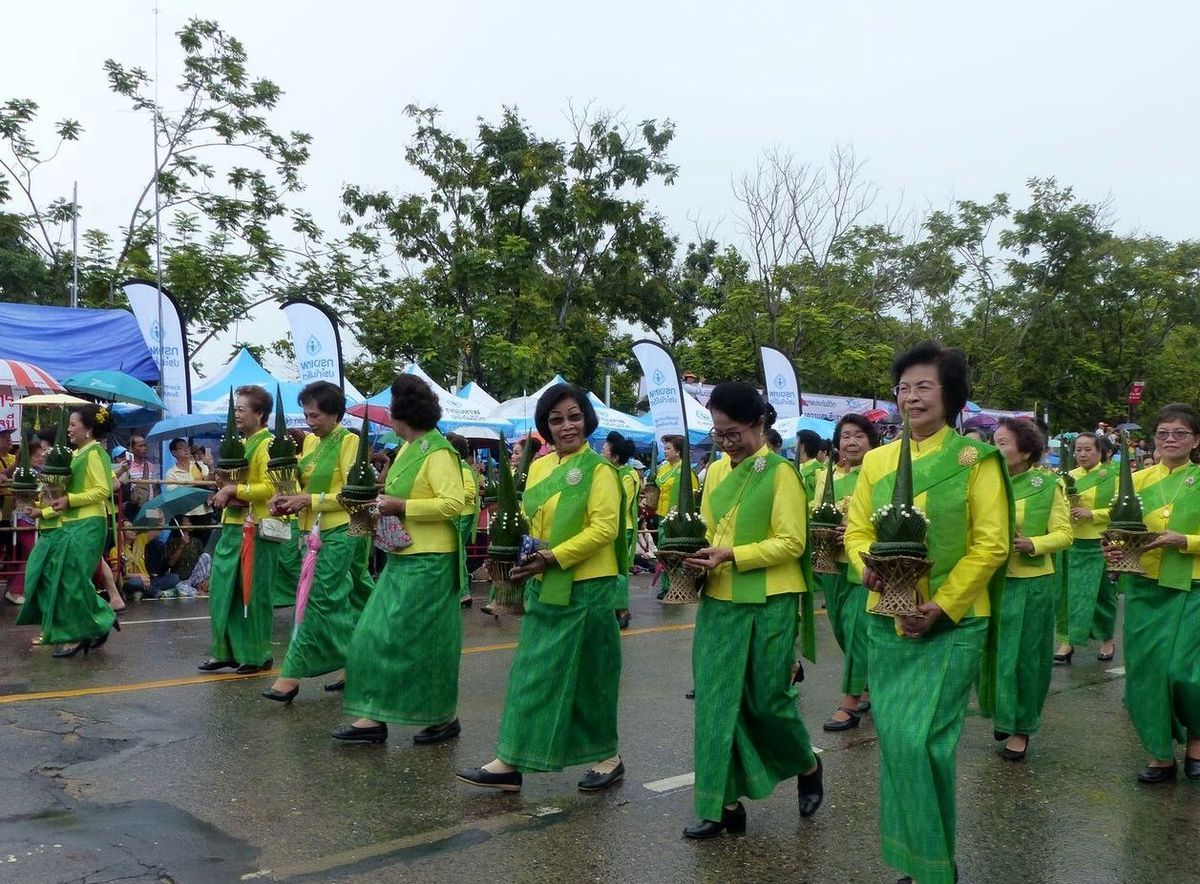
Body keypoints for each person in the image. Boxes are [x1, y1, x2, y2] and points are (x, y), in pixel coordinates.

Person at [844, 342, 1011, 884]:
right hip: (886, 619)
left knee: (924, 744)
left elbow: (991, 543)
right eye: (904, 387)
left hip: (952, 622)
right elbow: (857, 531)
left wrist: (942, 604)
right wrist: (866, 566)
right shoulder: (876, 461)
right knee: (897, 743)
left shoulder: (976, 460)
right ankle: (921, 861)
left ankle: (937, 867)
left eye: (924, 386)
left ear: (951, 395)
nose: (911, 397)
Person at [457, 384, 627, 792]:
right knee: (531, 674)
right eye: (556, 420)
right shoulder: (538, 467)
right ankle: (510, 760)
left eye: (574, 416)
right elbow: (529, 522)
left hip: (587, 587)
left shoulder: (601, 471)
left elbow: (604, 529)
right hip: (542, 582)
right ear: (545, 427)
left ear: (587, 419)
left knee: (592, 677)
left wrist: (552, 556)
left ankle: (607, 757)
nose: (567, 426)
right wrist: (516, 558)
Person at [679, 381, 823, 838]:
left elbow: (791, 542)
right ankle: (721, 804)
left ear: (759, 423)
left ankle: (807, 763)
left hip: (770, 601)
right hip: (719, 600)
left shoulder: (781, 474)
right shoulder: (715, 473)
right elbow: (707, 528)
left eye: (733, 433)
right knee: (716, 703)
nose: (726, 443)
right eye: (718, 434)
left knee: (768, 702)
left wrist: (733, 555)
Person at [333, 374, 464, 743]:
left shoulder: (438, 452)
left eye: (391, 407)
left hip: (431, 560)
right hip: (402, 554)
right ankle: (375, 714)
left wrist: (402, 506)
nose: (388, 414)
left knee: (421, 642)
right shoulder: (407, 448)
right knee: (375, 634)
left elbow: (454, 503)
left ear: (401, 412)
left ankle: (440, 717)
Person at [1103, 404, 1200, 784]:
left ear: (1196, 440)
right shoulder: (1135, 481)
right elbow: (1120, 532)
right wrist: (1113, 549)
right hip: (1144, 585)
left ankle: (1197, 739)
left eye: (1180, 433)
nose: (1170, 439)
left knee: (1184, 673)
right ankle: (1160, 754)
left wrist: (1185, 541)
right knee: (1147, 674)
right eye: (1163, 433)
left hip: (1191, 586)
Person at [263, 381, 376, 703]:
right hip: (313, 532)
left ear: (335, 414)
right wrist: (282, 497)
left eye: (316, 416)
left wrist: (308, 500)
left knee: (317, 599)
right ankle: (360, 661)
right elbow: (302, 485)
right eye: (306, 416)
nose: (310, 422)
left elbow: (354, 494)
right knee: (358, 599)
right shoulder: (312, 443)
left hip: (341, 531)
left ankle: (291, 674)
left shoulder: (350, 442)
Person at [991, 417, 1073, 761]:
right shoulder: (987, 482)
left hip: (1032, 583)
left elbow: (1065, 534)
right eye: (993, 442)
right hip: (991, 581)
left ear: (1025, 451)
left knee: (1027, 659)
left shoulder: (1048, 485)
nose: (994, 449)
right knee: (995, 655)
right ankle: (1002, 711)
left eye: (1002, 443)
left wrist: (1033, 544)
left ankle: (1022, 727)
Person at [17, 404, 120, 657]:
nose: (69, 429)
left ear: (88, 428)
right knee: (65, 579)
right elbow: (63, 496)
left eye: (73, 424)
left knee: (73, 580)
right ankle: (93, 624)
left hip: (89, 524)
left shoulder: (95, 453)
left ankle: (87, 628)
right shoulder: (76, 454)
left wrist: (70, 500)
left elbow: (103, 490)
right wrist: (43, 511)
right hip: (71, 523)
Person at [201, 385, 278, 675]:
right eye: (235, 409)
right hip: (233, 525)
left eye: (242, 409)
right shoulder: (241, 444)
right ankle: (225, 651)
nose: (236, 414)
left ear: (260, 414)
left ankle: (258, 654)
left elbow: (272, 487)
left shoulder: (267, 444)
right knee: (223, 592)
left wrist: (235, 489)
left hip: (255, 527)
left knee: (252, 594)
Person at [816, 413, 880, 732]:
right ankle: (866, 684)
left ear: (871, 441)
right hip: (832, 566)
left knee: (856, 630)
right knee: (841, 630)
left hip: (861, 565)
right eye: (846, 436)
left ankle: (849, 703)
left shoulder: (879, 474)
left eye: (859, 436)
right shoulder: (825, 477)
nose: (851, 442)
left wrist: (856, 533)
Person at [1055, 432, 1118, 663]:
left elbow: (1122, 508)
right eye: (1078, 449)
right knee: (1069, 594)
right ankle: (1067, 641)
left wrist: (1092, 514)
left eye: (1088, 449)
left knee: (1103, 595)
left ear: (1100, 452)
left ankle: (1107, 639)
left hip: (1101, 543)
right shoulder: (1067, 476)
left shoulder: (1113, 476)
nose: (1082, 454)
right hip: (1072, 542)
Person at [603, 431, 640, 630]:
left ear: (616, 456)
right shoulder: (610, 471)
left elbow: (621, 504)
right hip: (611, 527)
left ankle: (623, 610)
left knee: (619, 570)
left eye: (605, 450)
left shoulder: (627, 475)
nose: (602, 452)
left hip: (622, 528)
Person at [655, 434, 698, 600]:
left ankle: (676, 586)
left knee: (673, 553)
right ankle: (665, 586)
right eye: (664, 448)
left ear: (679, 451)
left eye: (668, 448)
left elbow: (692, 495)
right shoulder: (662, 468)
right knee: (662, 551)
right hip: (662, 514)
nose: (665, 451)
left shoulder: (686, 471)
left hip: (677, 520)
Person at [6, 436, 48, 606]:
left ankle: (18, 588)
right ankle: (15, 590)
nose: (41, 458)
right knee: (34, 554)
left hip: (30, 517)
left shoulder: (35, 472)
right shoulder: (25, 473)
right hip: (25, 517)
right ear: (27, 458)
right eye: (37, 456)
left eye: (41, 455)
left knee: (27, 554)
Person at [447, 433, 480, 609]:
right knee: (460, 553)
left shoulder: (463, 468)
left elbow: (470, 491)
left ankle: (463, 592)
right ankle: (462, 592)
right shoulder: (457, 466)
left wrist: (450, 496)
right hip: (459, 514)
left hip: (463, 514)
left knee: (457, 553)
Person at [164, 438, 214, 525]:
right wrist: (195, 487)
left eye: (187, 447)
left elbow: (209, 484)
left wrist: (211, 468)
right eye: (181, 447)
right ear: (174, 452)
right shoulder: (171, 473)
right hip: (185, 514)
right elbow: (174, 494)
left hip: (204, 511)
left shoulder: (200, 465)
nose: (186, 449)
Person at [115, 432, 158, 507]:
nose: (144, 448)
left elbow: (154, 488)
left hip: (148, 506)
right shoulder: (124, 467)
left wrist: (156, 505)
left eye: (144, 445)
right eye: (140, 446)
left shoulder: (151, 466)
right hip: (130, 507)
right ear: (131, 449)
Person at [795, 429, 822, 498]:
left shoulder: (818, 471)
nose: (794, 449)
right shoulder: (795, 467)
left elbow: (820, 497)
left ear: (802, 447)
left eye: (796, 445)